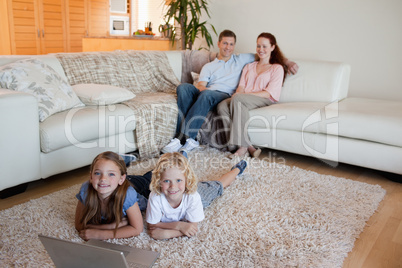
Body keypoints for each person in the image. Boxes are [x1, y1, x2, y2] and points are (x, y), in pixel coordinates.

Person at [162, 29, 298, 154]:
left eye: (231, 44)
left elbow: (267, 55)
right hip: (208, 93)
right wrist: (205, 90)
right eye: (225, 43)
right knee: (183, 88)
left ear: (234, 46)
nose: (228, 47)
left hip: (223, 95)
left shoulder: (242, 59)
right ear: (219, 43)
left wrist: (287, 62)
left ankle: (183, 138)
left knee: (207, 95)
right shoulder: (209, 66)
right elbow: (201, 86)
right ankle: (189, 139)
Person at [145, 152, 247, 240]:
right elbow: (152, 225)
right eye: (167, 181)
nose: (173, 186)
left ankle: (237, 169)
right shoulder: (155, 196)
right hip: (184, 190)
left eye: (178, 180)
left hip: (196, 194)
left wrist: (167, 233)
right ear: (159, 182)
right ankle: (182, 160)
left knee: (218, 185)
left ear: (187, 179)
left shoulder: (193, 196)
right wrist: (179, 225)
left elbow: (192, 227)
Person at [217, 32, 288, 158]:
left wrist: (241, 96)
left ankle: (242, 147)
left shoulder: (277, 68)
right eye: (258, 46)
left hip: (264, 100)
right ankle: (247, 144)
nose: (261, 50)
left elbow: (268, 93)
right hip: (244, 99)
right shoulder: (249, 66)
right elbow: (241, 86)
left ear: (272, 47)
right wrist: (238, 94)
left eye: (264, 46)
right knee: (222, 105)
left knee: (238, 99)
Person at [75, 151, 147, 240]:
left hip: (139, 186)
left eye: (111, 174)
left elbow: (137, 229)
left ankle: (123, 160)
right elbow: (79, 225)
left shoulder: (127, 194)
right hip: (115, 182)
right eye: (97, 173)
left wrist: (101, 234)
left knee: (157, 176)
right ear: (91, 177)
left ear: (121, 179)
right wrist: (110, 226)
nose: (103, 179)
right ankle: (121, 161)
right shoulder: (86, 190)